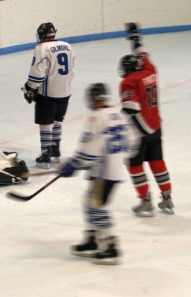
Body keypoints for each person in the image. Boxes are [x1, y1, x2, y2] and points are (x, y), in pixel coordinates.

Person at [59, 83, 133, 265]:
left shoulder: (96, 117)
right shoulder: (119, 115)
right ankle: (92, 240)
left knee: (96, 207)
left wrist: (75, 164)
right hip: (113, 169)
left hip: (103, 172)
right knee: (90, 202)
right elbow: (132, 141)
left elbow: (91, 147)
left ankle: (110, 247)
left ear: (93, 99)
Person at [119, 23, 173, 217]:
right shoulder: (150, 69)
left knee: (134, 164)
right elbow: (142, 53)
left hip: (139, 132)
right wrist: (135, 37)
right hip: (156, 127)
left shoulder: (128, 82)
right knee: (157, 161)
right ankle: (167, 199)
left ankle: (145, 202)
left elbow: (130, 110)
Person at [22, 22, 75, 169]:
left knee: (45, 122)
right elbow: (72, 68)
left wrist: (29, 87)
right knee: (57, 120)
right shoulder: (68, 46)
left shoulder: (41, 48)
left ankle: (46, 155)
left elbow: (38, 73)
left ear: (43, 35)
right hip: (65, 91)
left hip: (48, 93)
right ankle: (56, 149)